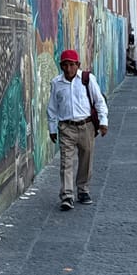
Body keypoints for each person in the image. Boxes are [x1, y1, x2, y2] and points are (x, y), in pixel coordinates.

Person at [47, 49, 108, 211]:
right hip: (66, 127)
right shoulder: (56, 83)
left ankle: (83, 189)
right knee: (66, 162)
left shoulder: (87, 80)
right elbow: (52, 108)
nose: (68, 69)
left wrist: (103, 122)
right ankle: (67, 195)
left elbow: (99, 101)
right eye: (65, 65)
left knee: (86, 159)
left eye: (72, 65)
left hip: (86, 126)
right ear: (61, 66)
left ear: (78, 65)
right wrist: (52, 128)